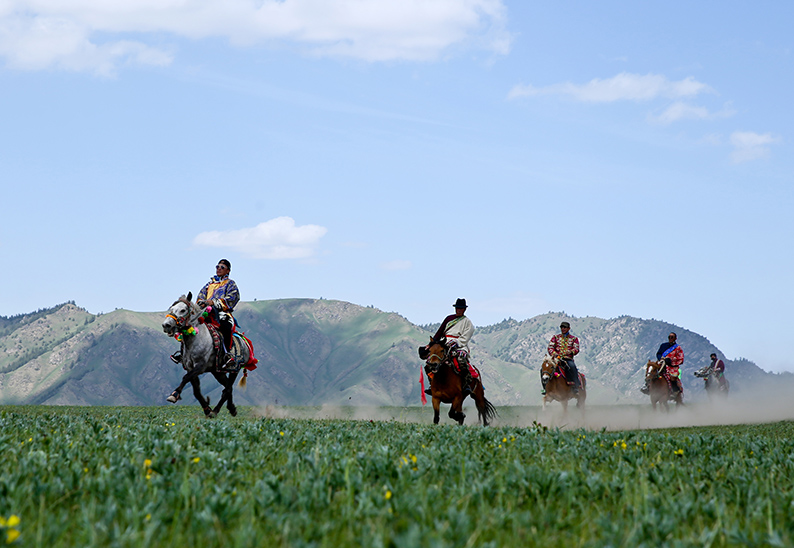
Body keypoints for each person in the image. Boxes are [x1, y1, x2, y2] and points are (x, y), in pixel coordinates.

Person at [171, 259, 240, 366]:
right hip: (206, 313)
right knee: (188, 326)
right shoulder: (209, 285)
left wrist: (213, 302)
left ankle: (227, 355)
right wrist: (202, 304)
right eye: (217, 267)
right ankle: (182, 353)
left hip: (222, 313)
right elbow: (200, 298)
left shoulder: (231, 284)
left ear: (228, 271)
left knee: (226, 327)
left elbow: (232, 298)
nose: (219, 269)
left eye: (222, 267)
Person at [425, 298, 476, 394]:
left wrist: (456, 342)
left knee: (461, 360)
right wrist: (431, 344)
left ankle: (466, 385)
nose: (458, 310)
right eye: (457, 308)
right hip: (444, 342)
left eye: (461, 308)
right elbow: (440, 332)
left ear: (464, 310)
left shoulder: (467, 322)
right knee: (430, 361)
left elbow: (466, 336)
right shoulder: (448, 319)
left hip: (459, 344)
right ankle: (432, 384)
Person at [545, 321, 581, 395]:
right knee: (545, 369)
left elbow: (576, 349)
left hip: (567, 359)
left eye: (565, 327)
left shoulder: (574, 339)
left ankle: (575, 387)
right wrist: (554, 354)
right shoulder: (555, 337)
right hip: (556, 358)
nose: (563, 329)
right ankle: (546, 387)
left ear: (569, 328)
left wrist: (570, 352)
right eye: (562, 327)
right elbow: (550, 347)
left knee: (572, 367)